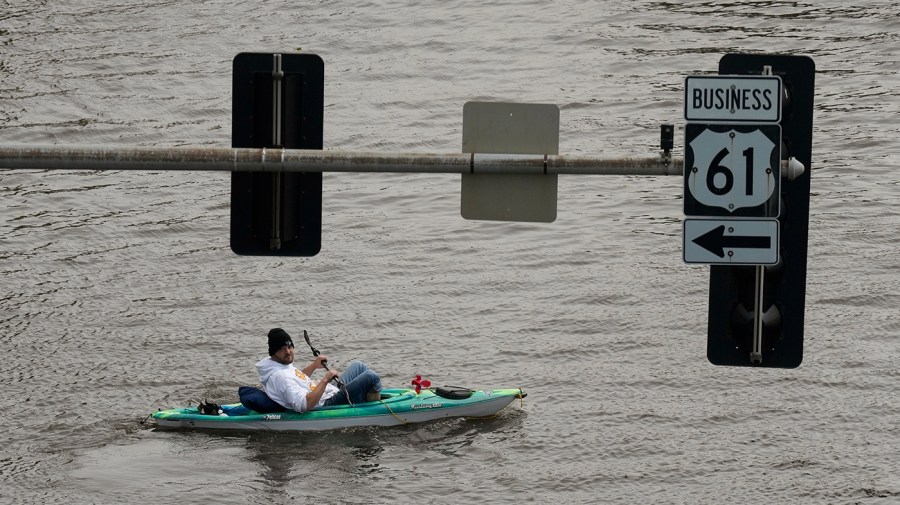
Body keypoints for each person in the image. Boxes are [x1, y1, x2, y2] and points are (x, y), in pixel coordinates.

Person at [255, 328, 383, 413]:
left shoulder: (279, 364)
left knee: (358, 365)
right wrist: (325, 380)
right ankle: (373, 411)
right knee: (371, 377)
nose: (288, 352)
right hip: (325, 404)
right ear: (274, 352)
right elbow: (305, 404)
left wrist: (314, 365)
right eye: (282, 349)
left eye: (289, 347)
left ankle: (366, 396)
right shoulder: (280, 377)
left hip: (326, 393)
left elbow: (296, 380)